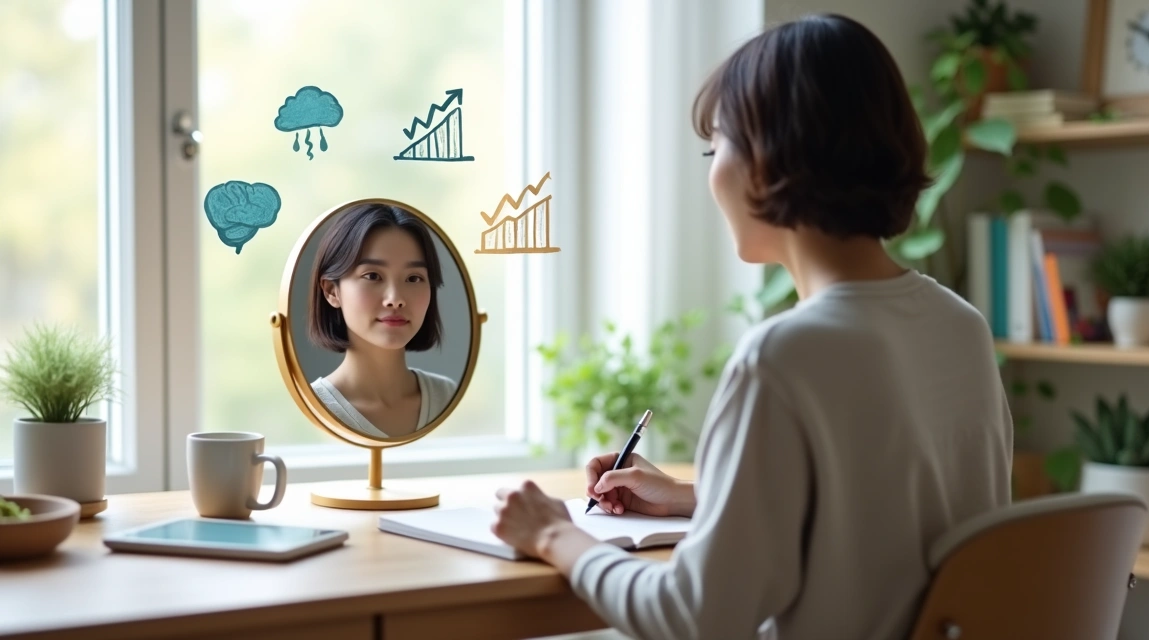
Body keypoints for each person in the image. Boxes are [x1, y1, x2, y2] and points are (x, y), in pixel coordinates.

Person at [488, 13, 1014, 640]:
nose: (712, 174)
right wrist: (700, 496)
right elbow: (881, 527)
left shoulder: (784, 355)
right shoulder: (960, 326)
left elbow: (691, 618)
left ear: (766, 162)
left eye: (717, 149)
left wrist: (554, 533)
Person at [307, 202, 459, 439]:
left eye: (413, 278)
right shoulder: (312, 409)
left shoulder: (447, 396)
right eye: (373, 276)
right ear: (331, 291)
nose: (395, 299)